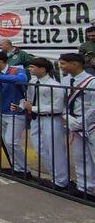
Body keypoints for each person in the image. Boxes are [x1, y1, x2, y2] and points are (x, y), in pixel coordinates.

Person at [19, 57, 69, 190]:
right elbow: (29, 99)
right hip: (36, 119)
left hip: (51, 119)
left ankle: (61, 181)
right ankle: (55, 177)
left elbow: (58, 107)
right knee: (40, 149)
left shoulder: (55, 85)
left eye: (33, 67)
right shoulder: (33, 82)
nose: (30, 69)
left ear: (43, 69)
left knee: (55, 150)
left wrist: (33, 108)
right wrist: (22, 105)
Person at [58, 52, 94, 198]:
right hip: (74, 124)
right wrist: (67, 116)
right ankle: (85, 188)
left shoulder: (91, 81)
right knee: (81, 157)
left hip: (90, 124)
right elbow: (63, 101)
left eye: (63, 63)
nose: (61, 67)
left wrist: (82, 121)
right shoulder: (65, 81)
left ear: (75, 64)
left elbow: (93, 106)